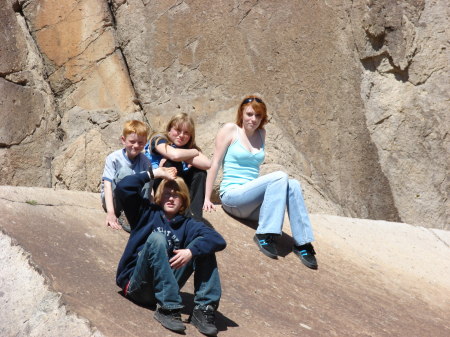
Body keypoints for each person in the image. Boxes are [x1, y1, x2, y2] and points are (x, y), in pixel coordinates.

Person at [203, 95, 318, 270]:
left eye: (258, 116)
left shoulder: (261, 134)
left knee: (293, 184)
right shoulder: (230, 130)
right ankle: (264, 234)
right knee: (280, 176)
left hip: (253, 205)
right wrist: (206, 198)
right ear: (241, 113)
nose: (253, 119)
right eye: (249, 114)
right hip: (233, 197)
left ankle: (302, 244)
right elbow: (215, 163)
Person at [115, 166, 226, 336]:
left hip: (164, 287)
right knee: (157, 238)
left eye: (176, 195)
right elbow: (124, 187)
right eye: (167, 193)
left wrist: (190, 251)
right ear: (159, 196)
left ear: (183, 200)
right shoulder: (145, 212)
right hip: (138, 285)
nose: (171, 198)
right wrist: (155, 173)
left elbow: (218, 240)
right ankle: (168, 309)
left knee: (203, 247)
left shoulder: (188, 224)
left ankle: (203, 310)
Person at [145, 113, 211, 219]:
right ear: (169, 129)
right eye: (178, 130)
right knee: (171, 163)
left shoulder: (189, 148)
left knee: (200, 173)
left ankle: (195, 219)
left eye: (186, 133)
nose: (181, 135)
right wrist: (192, 153)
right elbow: (174, 155)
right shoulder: (158, 139)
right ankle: (167, 210)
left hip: (180, 185)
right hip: (157, 185)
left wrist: (189, 152)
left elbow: (207, 164)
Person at [101, 120, 151, 233]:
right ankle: (124, 213)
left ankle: (140, 213)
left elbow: (148, 189)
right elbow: (107, 185)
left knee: (148, 176)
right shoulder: (113, 158)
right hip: (115, 199)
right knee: (125, 172)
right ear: (123, 140)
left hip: (134, 201)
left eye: (140, 142)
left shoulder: (145, 161)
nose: (136, 146)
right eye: (132, 141)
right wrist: (111, 213)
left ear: (145, 142)